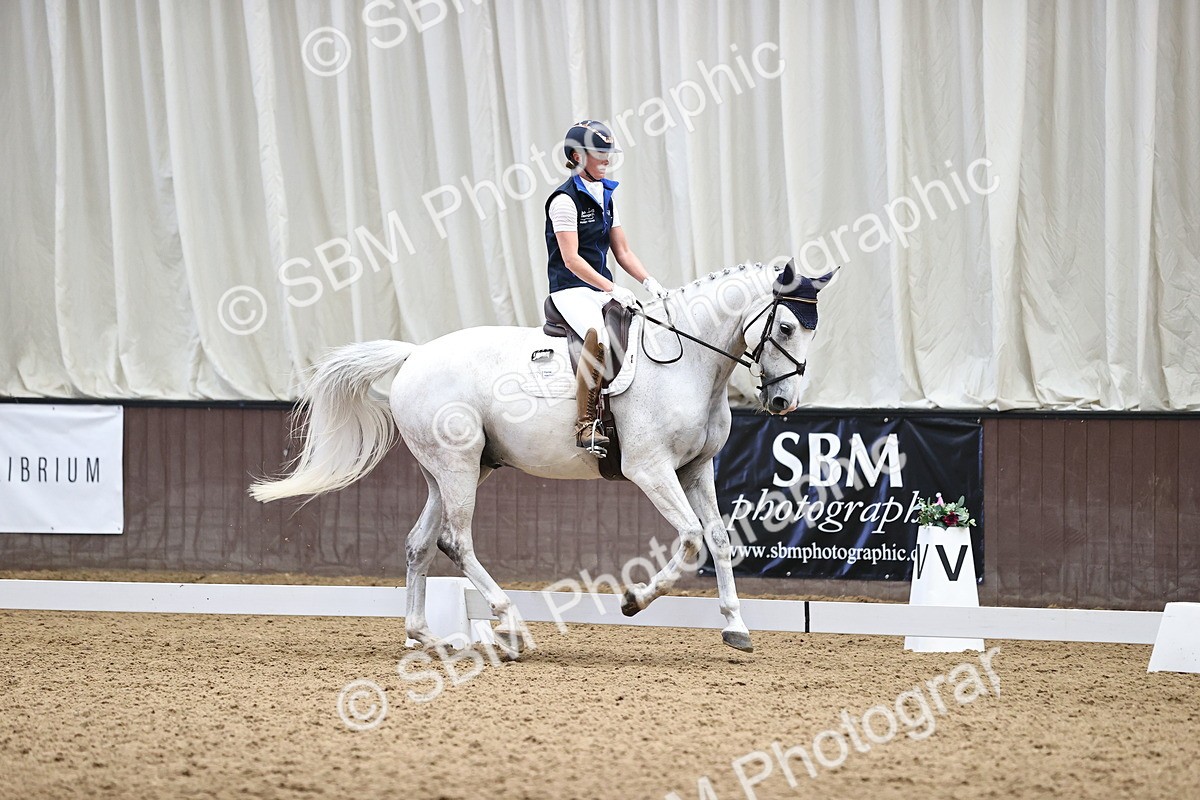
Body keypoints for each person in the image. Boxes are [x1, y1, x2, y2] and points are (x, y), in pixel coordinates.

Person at [545, 119, 668, 456]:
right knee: (597, 335)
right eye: (600, 153)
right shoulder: (563, 201)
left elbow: (623, 251)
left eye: (608, 153)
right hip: (570, 288)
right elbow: (571, 260)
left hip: (598, 287)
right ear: (577, 156)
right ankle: (585, 425)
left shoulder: (607, 194)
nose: (607, 159)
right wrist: (612, 287)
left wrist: (648, 282)